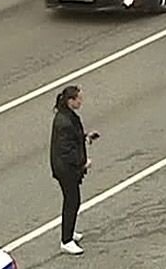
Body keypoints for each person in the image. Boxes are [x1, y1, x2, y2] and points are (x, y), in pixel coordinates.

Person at [50, 85, 98, 255]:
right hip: (65, 170)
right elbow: (66, 151)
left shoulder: (67, 116)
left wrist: (85, 136)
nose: (81, 101)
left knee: (72, 200)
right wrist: (83, 163)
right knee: (72, 201)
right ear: (71, 101)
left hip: (66, 168)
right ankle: (66, 240)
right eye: (79, 99)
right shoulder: (64, 122)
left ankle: (69, 233)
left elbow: (73, 137)